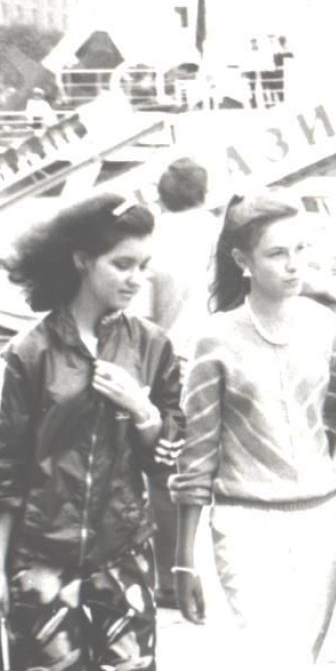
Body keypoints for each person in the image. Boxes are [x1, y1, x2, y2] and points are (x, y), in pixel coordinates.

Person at [0, 192, 183, 671]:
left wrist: (144, 412)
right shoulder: (27, 355)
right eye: (122, 264)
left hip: (125, 561)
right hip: (44, 566)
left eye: (143, 265)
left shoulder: (151, 347)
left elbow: (173, 450)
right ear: (80, 261)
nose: (136, 279)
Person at [170, 191, 336, 671]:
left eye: (301, 250)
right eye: (278, 253)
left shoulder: (328, 328)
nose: (295, 264)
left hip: (320, 523)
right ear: (243, 261)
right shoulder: (214, 339)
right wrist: (184, 556)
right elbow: (196, 457)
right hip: (245, 529)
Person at [142, 156, 219, 609]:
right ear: (204, 193)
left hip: (170, 364)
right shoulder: (225, 236)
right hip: (227, 356)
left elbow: (144, 318)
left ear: (161, 195)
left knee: (165, 473)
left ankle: (172, 579)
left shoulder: (152, 243)